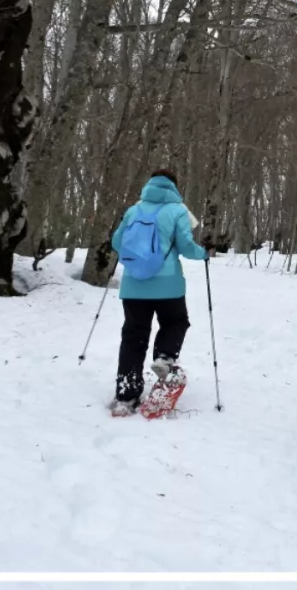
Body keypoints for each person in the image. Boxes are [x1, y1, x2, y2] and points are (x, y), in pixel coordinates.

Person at [108, 169, 210, 416]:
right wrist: (204, 253)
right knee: (175, 322)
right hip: (168, 285)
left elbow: (116, 243)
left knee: (134, 336)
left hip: (133, 286)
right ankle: (164, 358)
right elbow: (186, 247)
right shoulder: (178, 211)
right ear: (173, 187)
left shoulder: (133, 210)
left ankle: (126, 396)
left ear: (149, 185)